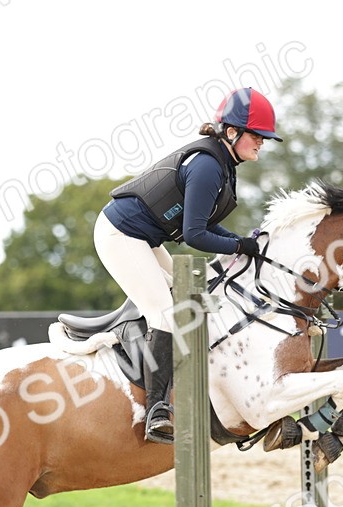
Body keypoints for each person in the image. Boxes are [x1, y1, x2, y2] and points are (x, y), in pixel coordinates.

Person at [96, 87, 282, 444]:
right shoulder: (209, 166)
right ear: (232, 132)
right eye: (258, 136)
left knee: (194, 306)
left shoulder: (223, 164)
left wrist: (243, 245)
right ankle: (156, 410)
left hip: (144, 239)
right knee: (166, 315)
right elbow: (194, 235)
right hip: (119, 234)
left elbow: (206, 225)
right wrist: (241, 245)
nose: (262, 143)